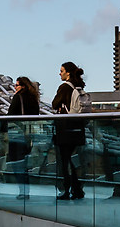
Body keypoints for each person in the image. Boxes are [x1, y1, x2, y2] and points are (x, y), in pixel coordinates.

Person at [50, 62, 88, 200]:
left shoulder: (64, 87)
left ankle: (66, 190)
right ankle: (77, 190)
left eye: (61, 71)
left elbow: (54, 104)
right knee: (74, 161)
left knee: (65, 162)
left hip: (65, 130)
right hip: (78, 129)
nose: (59, 73)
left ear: (68, 73)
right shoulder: (78, 87)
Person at [5, 75, 43, 196]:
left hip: (17, 134)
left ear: (22, 86)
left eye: (16, 85)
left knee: (16, 163)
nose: (15, 88)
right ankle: (26, 190)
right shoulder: (34, 99)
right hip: (29, 135)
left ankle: (23, 191)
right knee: (24, 163)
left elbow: (10, 115)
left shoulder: (18, 97)